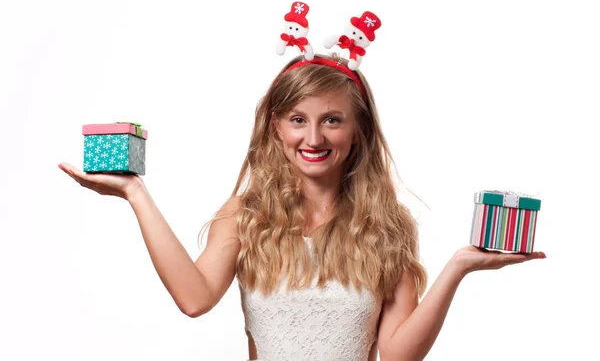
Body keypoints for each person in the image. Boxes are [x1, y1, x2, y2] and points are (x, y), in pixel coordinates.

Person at [58, 52, 545, 361]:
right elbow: (194, 297)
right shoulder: (246, 214)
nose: (313, 138)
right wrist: (135, 194)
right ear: (276, 126)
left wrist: (457, 267)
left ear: (358, 132)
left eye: (332, 120)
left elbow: (397, 355)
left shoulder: (387, 227)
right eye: (298, 120)